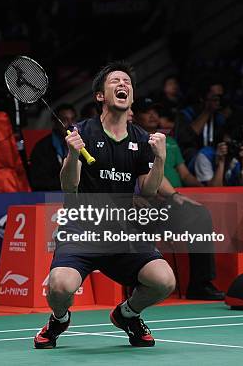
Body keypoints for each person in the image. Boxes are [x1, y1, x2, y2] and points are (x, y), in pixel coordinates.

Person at [34, 62, 175, 349]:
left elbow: (148, 191)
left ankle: (127, 314)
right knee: (59, 287)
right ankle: (58, 319)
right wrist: (73, 155)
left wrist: (160, 159)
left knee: (164, 281)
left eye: (127, 82)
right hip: (82, 230)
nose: (122, 84)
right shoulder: (83, 132)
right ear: (100, 95)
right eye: (115, 81)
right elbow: (69, 187)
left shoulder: (139, 139)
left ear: (131, 96)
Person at [132, 98, 224, 300]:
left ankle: (200, 283)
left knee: (198, 215)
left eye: (155, 111)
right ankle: (141, 283)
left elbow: (156, 172)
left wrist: (175, 196)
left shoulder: (157, 140)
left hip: (155, 203)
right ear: (133, 114)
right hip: (128, 206)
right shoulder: (129, 137)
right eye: (147, 111)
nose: (153, 115)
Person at [28, 104, 76, 191]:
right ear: (55, 122)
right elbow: (38, 182)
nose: (70, 124)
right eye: (64, 120)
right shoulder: (42, 148)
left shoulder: (83, 144)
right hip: (53, 196)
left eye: (73, 119)